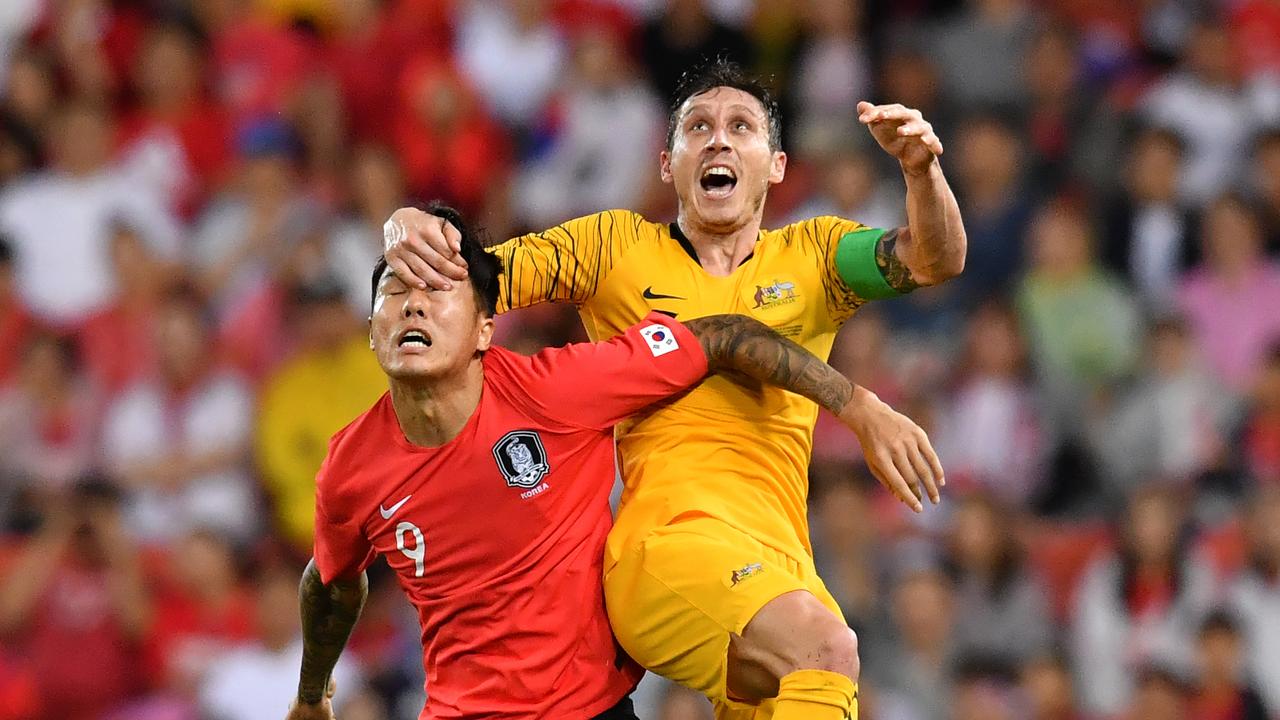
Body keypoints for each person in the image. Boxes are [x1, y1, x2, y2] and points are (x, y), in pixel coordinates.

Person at [381, 58, 965, 719]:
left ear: (774, 164)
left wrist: (922, 172)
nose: (717, 139)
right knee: (827, 649)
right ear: (668, 163)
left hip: (778, 564)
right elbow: (477, 279)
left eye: (740, 127)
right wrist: (410, 225)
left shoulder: (815, 255)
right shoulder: (616, 245)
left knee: (816, 672)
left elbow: (934, 258)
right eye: (698, 127)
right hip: (667, 544)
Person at [286, 205, 939, 720]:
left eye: (437, 288)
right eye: (394, 291)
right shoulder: (351, 464)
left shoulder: (557, 389)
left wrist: (855, 405)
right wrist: (315, 694)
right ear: (371, 329)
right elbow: (333, 579)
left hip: (595, 708)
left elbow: (722, 335)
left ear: (485, 327)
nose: (414, 303)